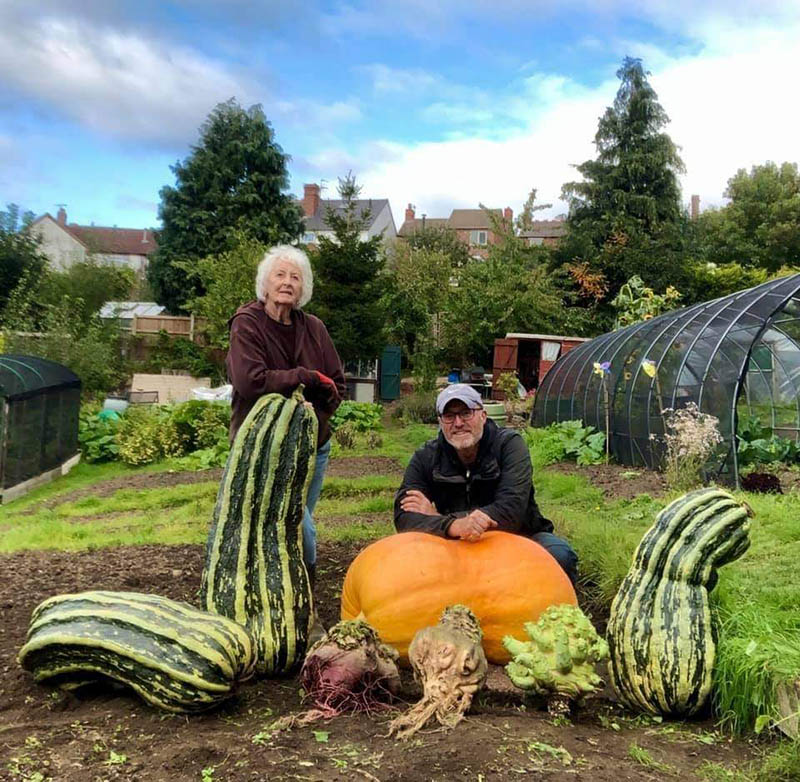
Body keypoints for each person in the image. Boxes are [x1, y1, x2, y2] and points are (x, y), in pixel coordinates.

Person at [226, 244, 346, 589]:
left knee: (295, 523)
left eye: (296, 277)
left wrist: (314, 417)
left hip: (311, 446)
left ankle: (299, 600)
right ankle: (255, 592)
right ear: (265, 283)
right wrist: (304, 377)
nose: (287, 282)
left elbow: (336, 384)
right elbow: (251, 382)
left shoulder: (315, 329)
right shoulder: (247, 324)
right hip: (259, 444)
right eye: (280, 274)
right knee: (268, 522)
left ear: (303, 288)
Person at [394, 384, 578, 583]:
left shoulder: (509, 445)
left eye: (466, 413)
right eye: (449, 416)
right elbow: (404, 517)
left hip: (518, 538)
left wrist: (440, 518)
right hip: (452, 543)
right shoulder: (426, 456)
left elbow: (511, 509)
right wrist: (454, 526)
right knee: (401, 567)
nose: (458, 423)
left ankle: (557, 611)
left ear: (482, 415)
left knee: (560, 556)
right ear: (440, 422)